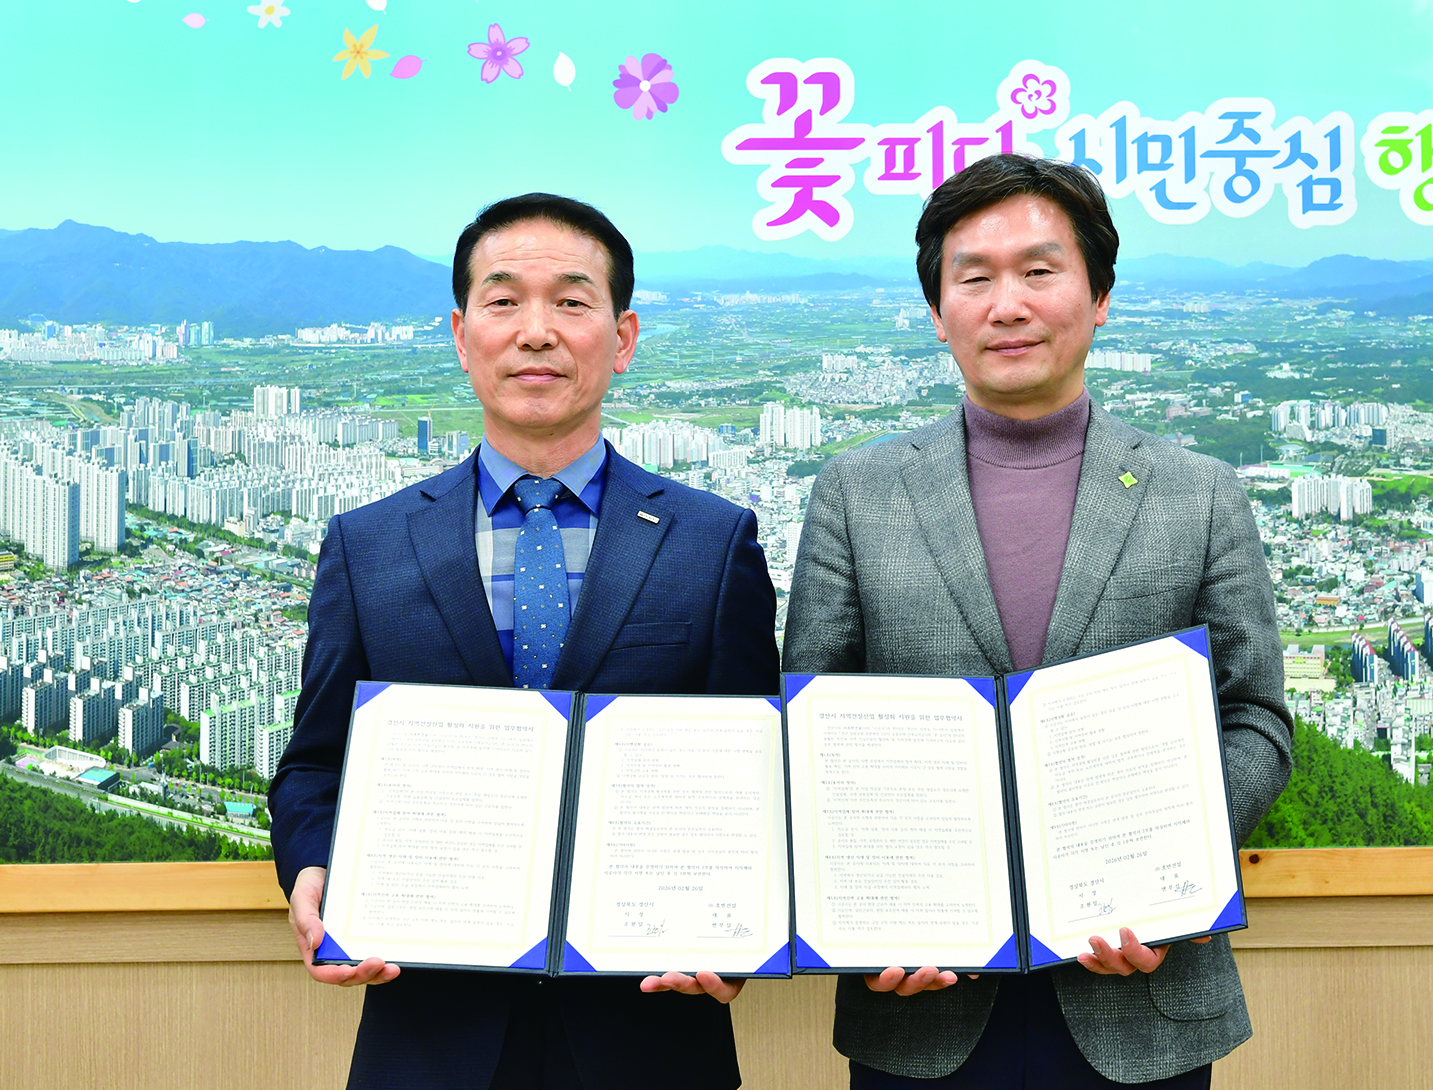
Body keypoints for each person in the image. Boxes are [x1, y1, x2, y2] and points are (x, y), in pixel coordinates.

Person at [782, 154, 1293, 1088]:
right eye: (973, 278)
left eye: (1039, 271)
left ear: (1099, 296)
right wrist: (865, 909)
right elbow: (812, 727)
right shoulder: (856, 493)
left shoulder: (1199, 494)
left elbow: (1255, 717)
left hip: (1142, 990)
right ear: (938, 311)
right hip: (920, 998)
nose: (1007, 305)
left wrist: (1170, 875)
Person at [268, 193, 779, 1090]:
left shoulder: (712, 542)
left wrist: (740, 930)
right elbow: (313, 765)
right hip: (429, 1036)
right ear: (462, 335)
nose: (536, 331)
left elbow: (756, 770)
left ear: (622, 338)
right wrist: (312, 866)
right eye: (503, 301)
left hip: (651, 1036)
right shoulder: (368, 545)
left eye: (572, 302)